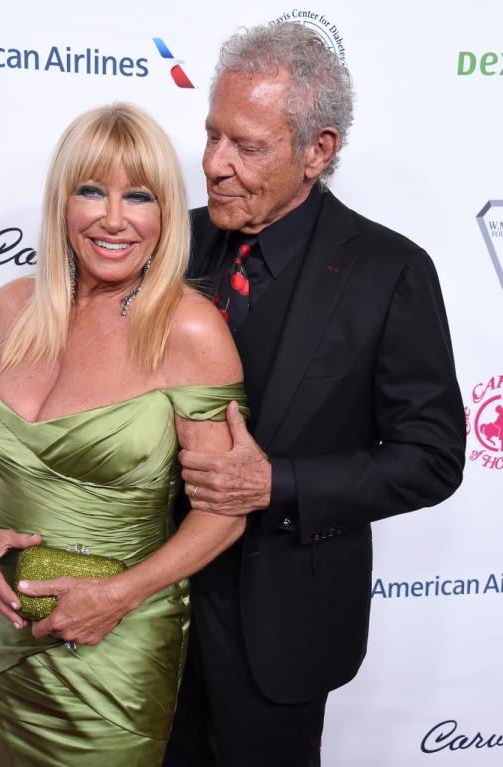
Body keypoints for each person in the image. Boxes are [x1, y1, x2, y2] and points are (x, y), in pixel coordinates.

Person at [163, 22, 466, 767]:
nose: (215, 166)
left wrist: (278, 482)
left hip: (282, 626)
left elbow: (432, 457)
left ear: (318, 151)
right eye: (211, 136)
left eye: (248, 147)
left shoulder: (390, 270)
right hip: (150, 617)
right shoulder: (170, 244)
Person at [0, 103, 249, 767]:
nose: (113, 218)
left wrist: (116, 596)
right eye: (92, 190)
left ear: (166, 214)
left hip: (113, 650)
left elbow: (224, 514)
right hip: (6, 640)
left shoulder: (190, 329)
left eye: (138, 195)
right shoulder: (11, 308)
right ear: (62, 202)